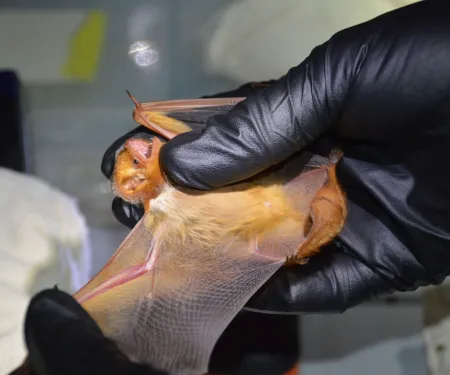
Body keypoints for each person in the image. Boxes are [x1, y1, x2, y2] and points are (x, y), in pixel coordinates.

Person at [16, 1, 450, 374]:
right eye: (134, 168)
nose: (136, 149)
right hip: (276, 223)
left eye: (135, 153)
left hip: (295, 192)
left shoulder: (172, 149)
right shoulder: (161, 216)